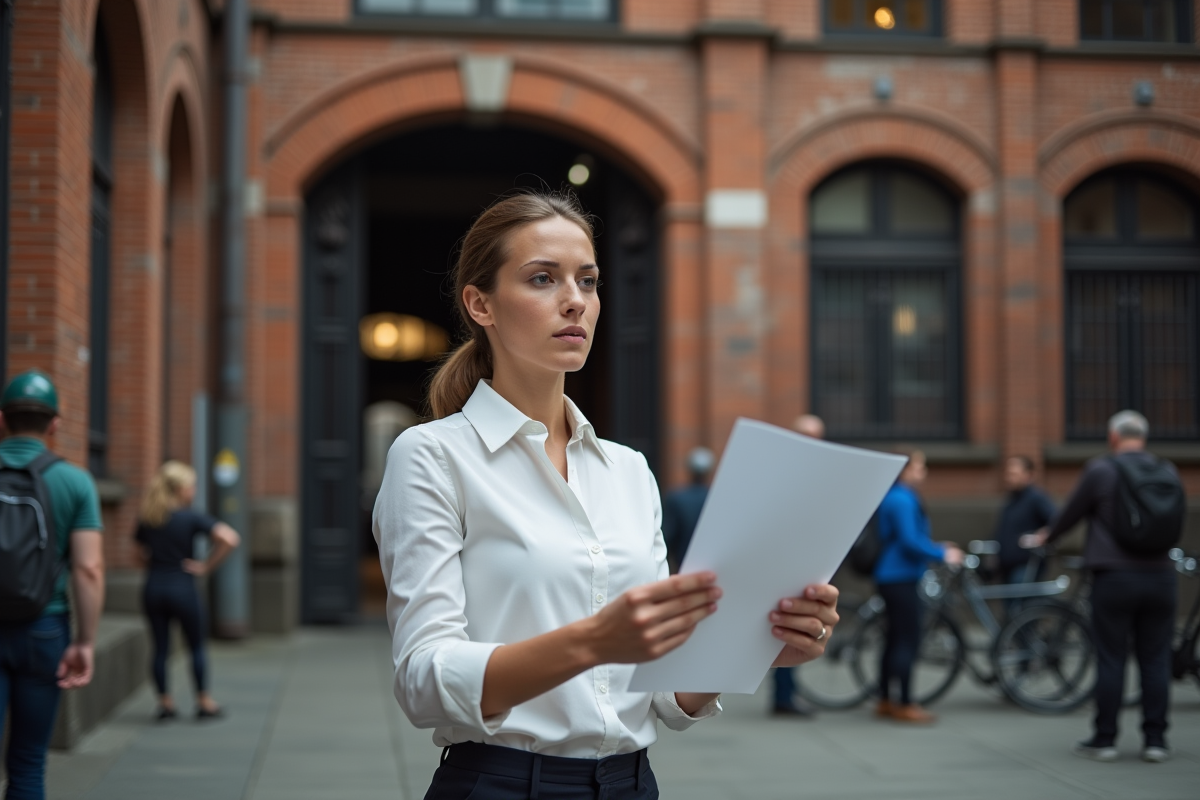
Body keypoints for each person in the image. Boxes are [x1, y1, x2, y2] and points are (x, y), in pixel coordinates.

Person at [373, 191, 840, 799]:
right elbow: (423, 680)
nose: (575, 300)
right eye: (543, 278)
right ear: (480, 304)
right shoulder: (433, 456)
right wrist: (594, 641)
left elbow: (663, 694)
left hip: (630, 784)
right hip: (500, 784)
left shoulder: (628, 470)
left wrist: (761, 643)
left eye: (588, 281)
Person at [1024, 411, 1178, 764]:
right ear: (1144, 437)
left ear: (1113, 437)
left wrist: (1047, 536)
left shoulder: (1102, 470)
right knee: (1155, 658)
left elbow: (1071, 513)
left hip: (1114, 576)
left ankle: (1105, 739)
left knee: (1111, 657)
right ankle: (1156, 740)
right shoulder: (1167, 470)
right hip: (1161, 576)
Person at [0, 370, 103, 800]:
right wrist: (85, 642)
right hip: (45, 628)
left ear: (2, 419)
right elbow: (89, 568)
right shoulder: (75, 482)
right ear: (55, 424)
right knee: (28, 762)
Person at [135, 461, 240, 721]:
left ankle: (165, 704)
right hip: (183, 587)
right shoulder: (190, 517)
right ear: (180, 488)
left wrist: (157, 563)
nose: (194, 490)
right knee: (196, 646)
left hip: (154, 587)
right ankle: (203, 702)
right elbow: (230, 538)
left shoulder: (148, 517)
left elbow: (139, 554)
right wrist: (205, 566)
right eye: (191, 485)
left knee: (160, 648)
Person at [873, 450, 963, 724]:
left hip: (890, 576)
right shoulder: (902, 498)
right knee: (907, 639)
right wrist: (942, 553)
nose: (923, 472)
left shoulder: (894, 495)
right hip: (900, 576)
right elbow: (909, 540)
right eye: (919, 467)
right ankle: (905, 703)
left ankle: (885, 699)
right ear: (904, 469)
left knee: (893, 639)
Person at [771, 414, 827, 718]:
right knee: (786, 631)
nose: (813, 443)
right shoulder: (784, 473)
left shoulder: (818, 473)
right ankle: (783, 697)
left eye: (817, 437)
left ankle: (785, 695)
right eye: (807, 436)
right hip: (782, 565)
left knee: (797, 632)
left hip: (807, 565)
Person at [994, 455, 1055, 585]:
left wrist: (1041, 536)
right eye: (1007, 474)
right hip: (1006, 567)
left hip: (1026, 566)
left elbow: (1056, 520)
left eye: (1014, 474)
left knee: (1021, 597)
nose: (1008, 478)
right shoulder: (1011, 500)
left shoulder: (1036, 498)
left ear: (1029, 475)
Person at [661, 447, 714, 573]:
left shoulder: (676, 498)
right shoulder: (717, 497)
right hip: (713, 565)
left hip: (684, 566)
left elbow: (668, 537)